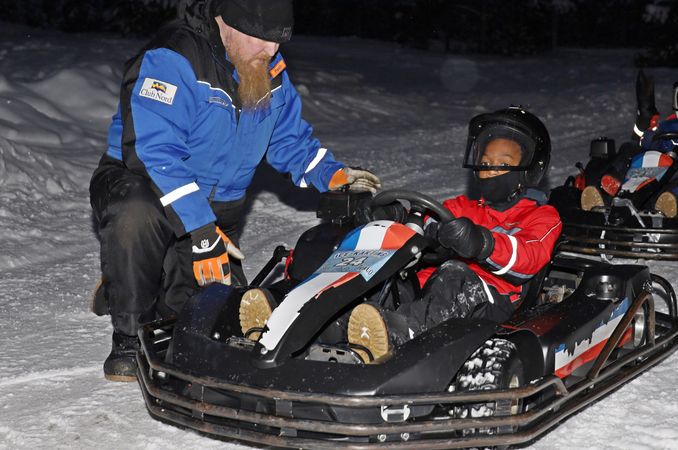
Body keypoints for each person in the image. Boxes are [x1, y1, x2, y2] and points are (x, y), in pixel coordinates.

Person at [90, 0, 380, 381]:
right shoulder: (173, 58)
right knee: (135, 216)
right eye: (263, 38)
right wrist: (201, 230)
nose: (272, 49)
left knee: (207, 324)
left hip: (214, 212)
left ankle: (134, 279)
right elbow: (154, 151)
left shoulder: (266, 69)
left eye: (279, 40)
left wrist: (332, 174)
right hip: (148, 187)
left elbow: (289, 140)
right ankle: (128, 334)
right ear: (228, 22)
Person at [344, 107, 563, 362]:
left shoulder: (542, 216)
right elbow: (424, 223)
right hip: (436, 295)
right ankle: (342, 325)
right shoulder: (462, 207)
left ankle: (398, 335)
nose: (490, 170)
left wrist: (482, 243)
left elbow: (529, 257)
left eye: (503, 164)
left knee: (454, 273)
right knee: (390, 275)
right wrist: (394, 215)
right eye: (485, 162)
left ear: (529, 169)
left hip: (494, 302)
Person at [581, 72, 678, 218]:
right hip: (658, 167)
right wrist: (652, 134)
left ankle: (669, 202)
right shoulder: (670, 124)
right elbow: (645, 140)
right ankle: (608, 189)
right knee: (629, 147)